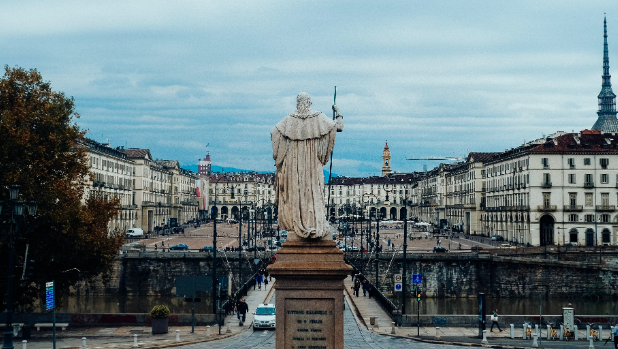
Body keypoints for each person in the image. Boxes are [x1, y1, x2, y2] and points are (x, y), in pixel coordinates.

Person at [271, 92, 344, 239]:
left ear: (297, 103)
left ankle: (298, 224)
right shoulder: (318, 117)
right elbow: (339, 127)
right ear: (309, 102)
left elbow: (274, 133)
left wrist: (282, 156)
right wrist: (338, 112)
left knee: (297, 194)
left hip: (294, 166)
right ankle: (315, 224)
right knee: (314, 193)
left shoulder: (288, 120)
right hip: (312, 166)